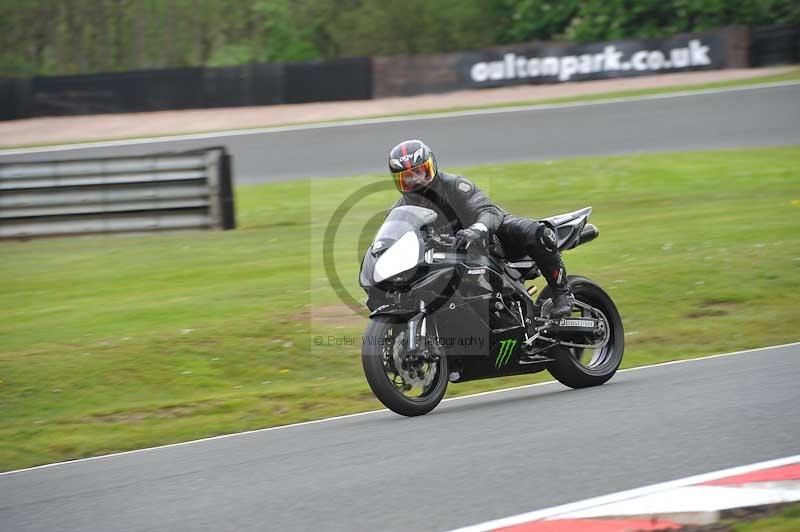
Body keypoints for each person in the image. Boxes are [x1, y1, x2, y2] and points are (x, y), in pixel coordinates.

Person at [387, 139, 574, 318]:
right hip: (448, 261)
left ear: (432, 166)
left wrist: (477, 229)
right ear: (398, 182)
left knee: (534, 232)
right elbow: (386, 245)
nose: (417, 181)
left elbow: (489, 210)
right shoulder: (399, 211)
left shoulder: (455, 185)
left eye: (421, 172)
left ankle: (562, 293)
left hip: (490, 240)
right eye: (407, 178)